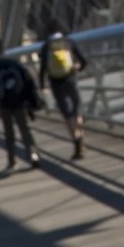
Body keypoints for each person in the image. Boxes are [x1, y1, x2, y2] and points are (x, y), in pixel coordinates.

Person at [0, 40, 41, 174]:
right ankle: (33, 155)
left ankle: (12, 161)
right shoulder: (13, 63)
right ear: (3, 50)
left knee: (9, 132)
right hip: (19, 101)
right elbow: (27, 78)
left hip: (4, 103)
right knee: (24, 129)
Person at [39, 25, 87, 159]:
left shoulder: (46, 46)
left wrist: (42, 85)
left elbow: (43, 69)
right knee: (76, 111)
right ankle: (81, 137)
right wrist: (77, 67)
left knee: (67, 114)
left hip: (56, 83)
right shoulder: (69, 42)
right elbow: (84, 61)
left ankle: (76, 142)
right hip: (71, 79)